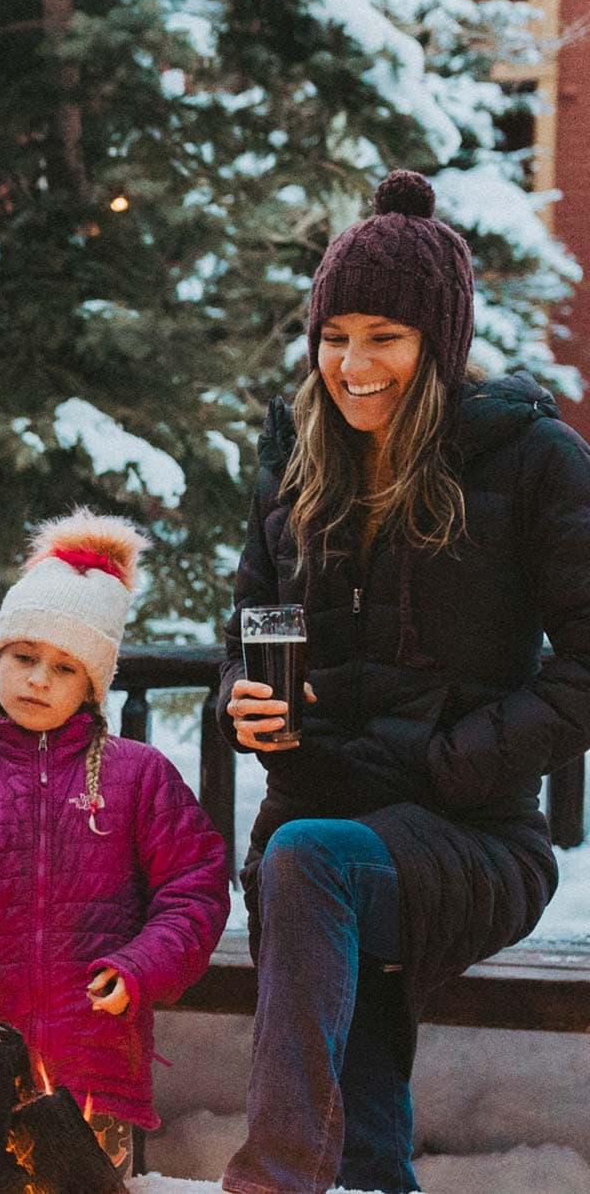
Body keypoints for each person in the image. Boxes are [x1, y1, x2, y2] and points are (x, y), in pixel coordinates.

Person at [219, 172, 590, 1194]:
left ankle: (275, 1181)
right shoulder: (296, 456)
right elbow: (250, 631)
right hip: (320, 816)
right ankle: (375, 1181)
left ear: (436, 341)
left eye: (382, 334)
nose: (352, 363)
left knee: (303, 867)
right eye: (335, 336)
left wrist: (452, 758)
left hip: (469, 830)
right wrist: (245, 701)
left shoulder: (534, 460)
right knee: (304, 872)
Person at [0, 511, 230, 1171]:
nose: (38, 679)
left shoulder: (140, 777)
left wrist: (141, 966)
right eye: (23, 657)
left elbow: (195, 890)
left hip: (98, 1066)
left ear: (93, 686)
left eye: (64, 667)